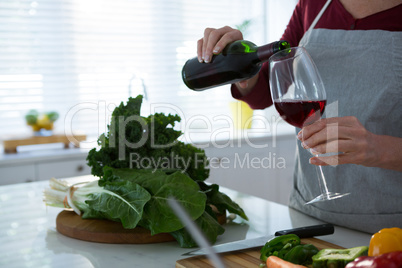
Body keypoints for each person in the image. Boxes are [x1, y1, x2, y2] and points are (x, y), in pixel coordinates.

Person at [197, 0, 402, 233]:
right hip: (310, 219)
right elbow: (263, 91)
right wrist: (239, 66)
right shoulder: (314, 5)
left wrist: (378, 148)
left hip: (391, 229)